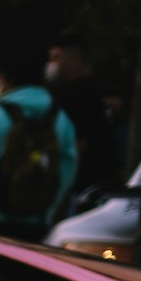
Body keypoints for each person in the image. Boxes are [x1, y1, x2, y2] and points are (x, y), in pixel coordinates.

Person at [0, 50, 78, 238]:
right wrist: (51, 207)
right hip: (38, 221)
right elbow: (68, 170)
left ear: (7, 79)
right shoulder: (61, 120)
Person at [47, 42, 120, 192]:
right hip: (100, 180)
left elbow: (78, 144)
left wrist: (65, 186)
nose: (51, 64)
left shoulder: (77, 95)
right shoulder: (92, 89)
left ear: (75, 61)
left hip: (84, 184)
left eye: (56, 57)